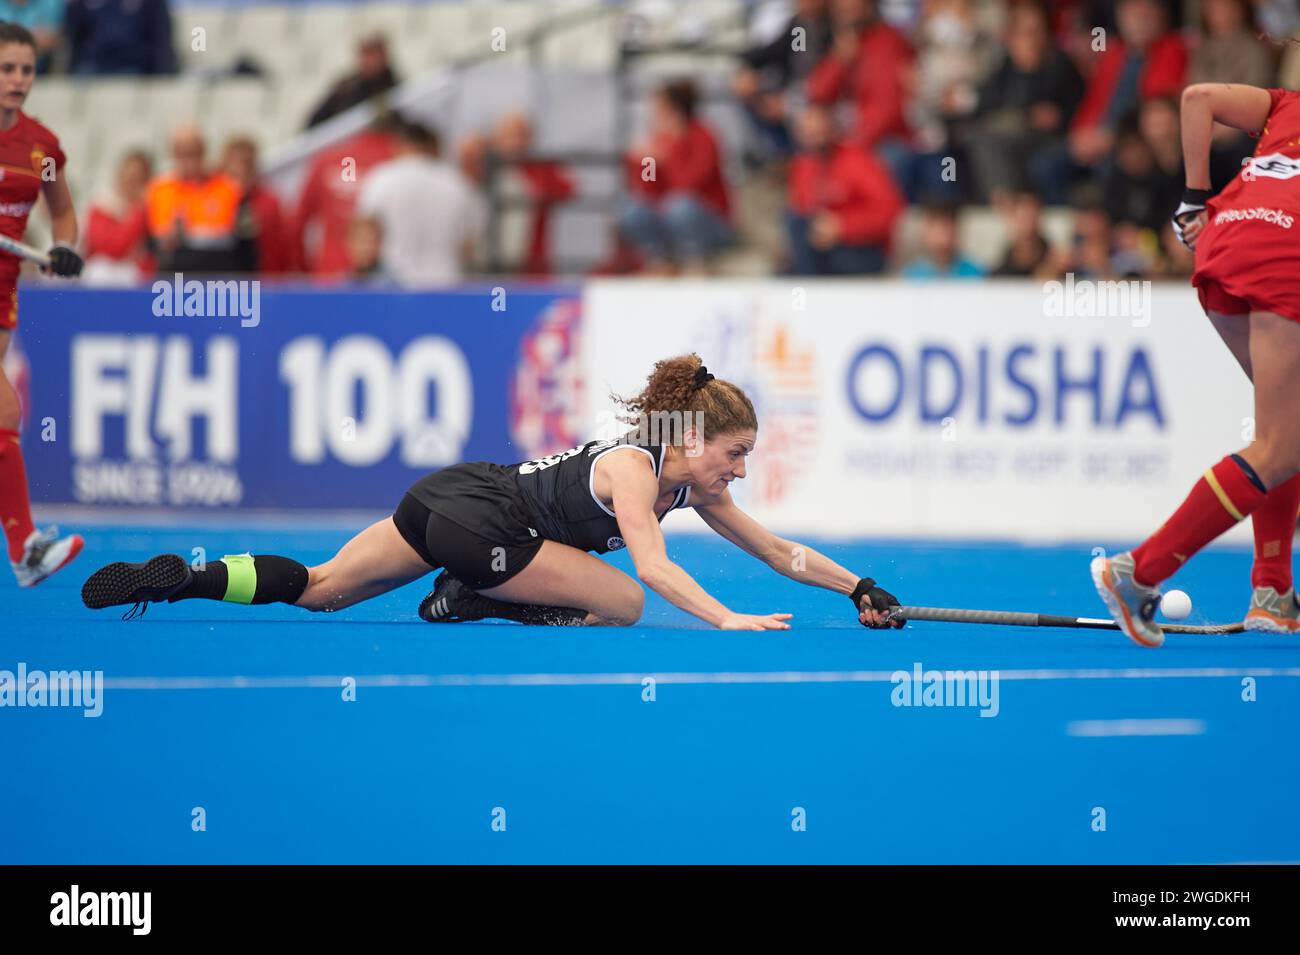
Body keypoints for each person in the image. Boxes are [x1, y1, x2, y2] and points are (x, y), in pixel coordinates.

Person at [81, 355, 907, 632]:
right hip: (484, 527)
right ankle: (471, 594)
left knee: (325, 590)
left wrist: (856, 587)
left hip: (447, 494)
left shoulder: (694, 486)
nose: (741, 470)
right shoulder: (637, 469)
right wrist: (726, 618)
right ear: (694, 437)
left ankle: (182, 579)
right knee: (621, 602)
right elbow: (652, 568)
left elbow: (778, 550)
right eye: (736, 453)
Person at [1092, 83, 1300, 646]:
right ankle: (1138, 572)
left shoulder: (1287, 103)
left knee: (1283, 434)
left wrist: (1192, 199)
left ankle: (1273, 591)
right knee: (1281, 446)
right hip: (1286, 252)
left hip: (1226, 237)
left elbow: (1196, 97)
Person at [0, 23, 84, 587]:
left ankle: (22, 547)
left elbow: (63, 213)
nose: (19, 79)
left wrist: (62, 249)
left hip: (4, 287)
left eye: (26, 69)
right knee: (5, 411)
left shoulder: (42, 146)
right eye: (8, 68)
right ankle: (23, 545)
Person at [619, 80, 734, 273]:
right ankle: (659, 260)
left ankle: (695, 261)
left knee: (679, 206)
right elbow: (648, 191)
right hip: (669, 217)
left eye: (658, 108)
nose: (653, 113)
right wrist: (643, 161)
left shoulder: (703, 136)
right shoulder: (656, 139)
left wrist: (668, 156)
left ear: (675, 109)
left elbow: (689, 184)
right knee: (632, 210)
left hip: (710, 222)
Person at [355, 119, 484, 287]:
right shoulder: (458, 183)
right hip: (445, 283)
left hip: (395, 283)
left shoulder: (380, 179)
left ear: (399, 145)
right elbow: (470, 244)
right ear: (433, 146)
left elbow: (364, 237)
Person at [785, 103, 903, 275]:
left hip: (861, 249)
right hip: (819, 249)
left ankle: (806, 289)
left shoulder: (857, 161)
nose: (814, 139)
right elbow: (802, 211)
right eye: (807, 134)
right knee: (796, 226)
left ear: (831, 129)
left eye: (819, 132)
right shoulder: (803, 166)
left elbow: (889, 210)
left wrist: (842, 227)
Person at [81, 148, 153, 284]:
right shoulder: (101, 205)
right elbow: (113, 248)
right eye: (128, 178)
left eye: (137, 179)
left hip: (136, 275)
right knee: (99, 271)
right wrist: (138, 212)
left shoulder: (151, 207)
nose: (131, 185)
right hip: (105, 272)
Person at [305, 33, 398, 129]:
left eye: (373, 54)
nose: (368, 61)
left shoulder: (397, 91)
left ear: (384, 55)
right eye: (365, 54)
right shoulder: (344, 88)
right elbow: (315, 121)